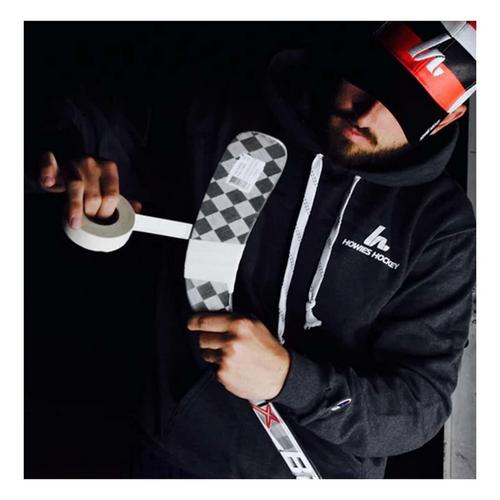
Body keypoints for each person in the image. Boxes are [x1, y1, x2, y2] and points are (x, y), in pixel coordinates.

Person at [31, 21, 476, 478]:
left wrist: (289, 379)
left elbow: (419, 406)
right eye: (371, 78)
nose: (367, 113)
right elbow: (83, 124)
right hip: (171, 454)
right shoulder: (229, 116)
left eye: (404, 106)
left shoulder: (440, 225)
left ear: (447, 118)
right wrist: (61, 157)